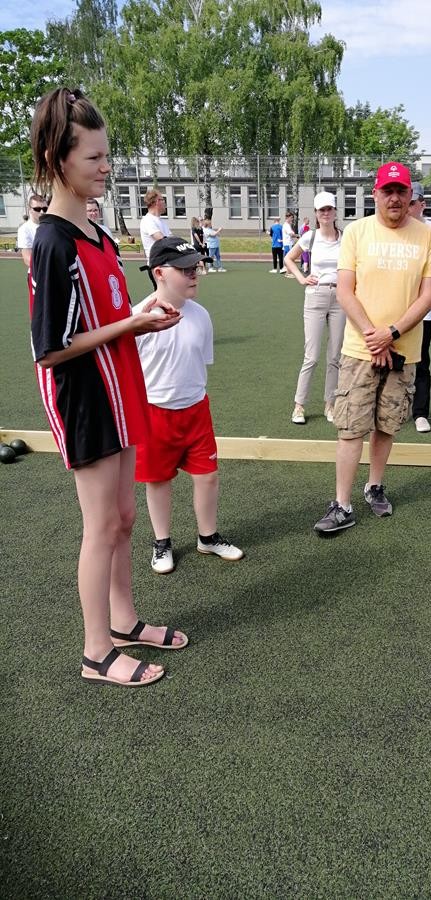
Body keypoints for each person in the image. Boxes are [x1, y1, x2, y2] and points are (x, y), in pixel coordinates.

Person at [28, 87, 187, 688]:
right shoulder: (52, 241)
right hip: (86, 397)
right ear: (58, 159)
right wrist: (130, 326)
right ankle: (96, 652)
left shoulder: (97, 234)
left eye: (106, 155)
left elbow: (105, 313)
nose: (105, 167)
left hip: (120, 387)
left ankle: (124, 622)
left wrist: (142, 313)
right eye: (93, 157)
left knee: (123, 517)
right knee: (100, 526)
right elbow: (51, 348)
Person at [314, 162, 431, 534]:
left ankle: (375, 486)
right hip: (360, 348)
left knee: (387, 424)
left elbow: (428, 295)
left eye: (401, 191)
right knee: (351, 427)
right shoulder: (357, 232)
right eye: (388, 191)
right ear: (375, 194)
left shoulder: (427, 236)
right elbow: (345, 290)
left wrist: (393, 332)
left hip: (404, 350)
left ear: (411, 195)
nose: (395, 198)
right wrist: (374, 335)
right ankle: (342, 504)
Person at [134, 236, 244, 573]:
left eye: (195, 266)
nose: (194, 273)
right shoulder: (137, 318)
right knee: (158, 480)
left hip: (196, 410)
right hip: (154, 413)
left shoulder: (201, 316)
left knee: (208, 476)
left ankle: (207, 538)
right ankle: (162, 542)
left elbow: (198, 363)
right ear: (159, 273)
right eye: (184, 269)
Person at [283, 191, 345, 426]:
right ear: (316, 213)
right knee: (311, 356)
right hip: (316, 297)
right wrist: (301, 278)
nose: (326, 213)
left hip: (340, 298)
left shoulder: (345, 237)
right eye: (321, 210)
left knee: (335, 356)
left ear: (335, 211)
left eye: (329, 209)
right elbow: (289, 258)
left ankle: (330, 404)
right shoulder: (310, 237)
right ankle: (299, 405)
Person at [408, 182, 431, 434]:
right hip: (393, 308)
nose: (407, 207)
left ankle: (420, 413)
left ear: (422, 204)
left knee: (421, 362)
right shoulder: (395, 229)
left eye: (412, 202)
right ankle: (392, 408)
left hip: (422, 312)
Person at [140, 187, 171, 260]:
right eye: (163, 200)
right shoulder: (147, 220)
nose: (165, 203)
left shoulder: (162, 221)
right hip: (158, 263)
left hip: (167, 261)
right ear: (157, 201)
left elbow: (172, 238)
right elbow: (163, 240)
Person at [17, 194, 47, 267]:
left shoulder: (52, 226)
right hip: (39, 272)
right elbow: (27, 259)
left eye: (45, 209)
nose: (42, 212)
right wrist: (47, 268)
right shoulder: (24, 229)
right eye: (37, 209)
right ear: (29, 209)